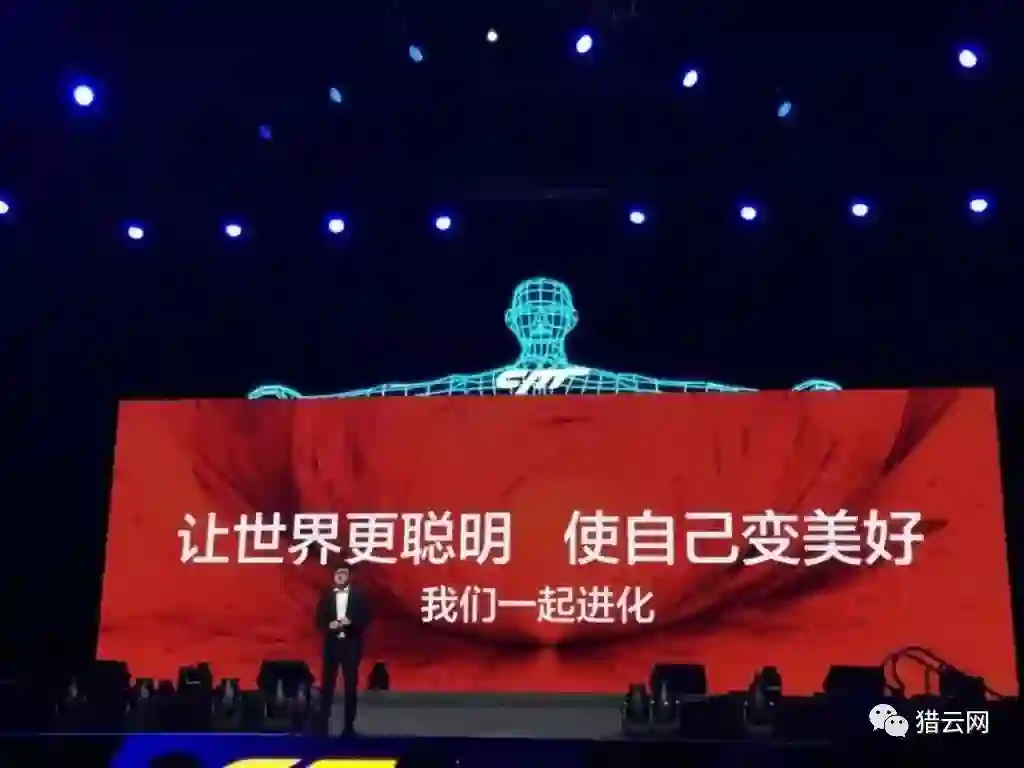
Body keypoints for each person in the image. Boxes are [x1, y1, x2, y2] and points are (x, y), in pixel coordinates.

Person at [315, 564, 371, 736]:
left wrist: (351, 623)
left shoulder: (358, 597)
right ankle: (322, 724)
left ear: (349, 577)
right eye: (337, 574)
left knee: (350, 688)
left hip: (350, 645)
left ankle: (349, 726)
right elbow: (319, 619)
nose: (340, 576)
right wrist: (329, 625)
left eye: (343, 574)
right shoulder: (326, 596)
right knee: (327, 686)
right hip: (331, 646)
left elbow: (365, 619)